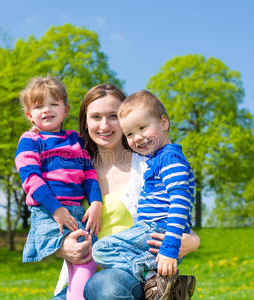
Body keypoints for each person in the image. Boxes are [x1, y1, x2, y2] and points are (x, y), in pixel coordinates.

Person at [52, 84, 200, 300]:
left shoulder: (148, 164)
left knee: (105, 286)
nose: (104, 125)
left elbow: (177, 207)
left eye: (113, 116)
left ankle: (156, 287)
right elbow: (50, 227)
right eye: (95, 117)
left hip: (123, 279)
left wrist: (194, 241)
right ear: (85, 122)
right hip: (81, 276)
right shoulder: (74, 170)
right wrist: (62, 248)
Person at [91, 90, 196, 299]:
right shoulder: (157, 159)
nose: (137, 137)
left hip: (157, 231)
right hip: (153, 232)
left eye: (142, 128)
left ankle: (152, 276)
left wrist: (169, 248)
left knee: (102, 249)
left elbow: (180, 202)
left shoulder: (169, 159)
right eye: (129, 133)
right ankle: (157, 279)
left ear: (164, 123)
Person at [14, 77, 102, 300]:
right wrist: (56, 210)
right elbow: (31, 179)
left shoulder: (75, 140)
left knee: (85, 259)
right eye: (38, 106)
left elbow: (89, 174)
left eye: (53, 104)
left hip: (76, 211)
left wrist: (96, 202)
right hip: (48, 213)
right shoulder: (30, 140)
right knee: (88, 256)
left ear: (65, 110)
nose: (46, 110)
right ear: (29, 115)